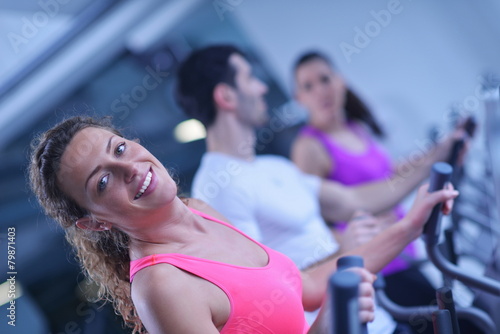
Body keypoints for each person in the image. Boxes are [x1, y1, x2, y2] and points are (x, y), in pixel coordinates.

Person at [175, 44, 463, 333]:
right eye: (250, 78)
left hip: (376, 321)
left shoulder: (274, 167)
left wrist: (439, 158)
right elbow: (259, 291)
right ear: (226, 96)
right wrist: (343, 249)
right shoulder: (217, 188)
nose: (262, 88)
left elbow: (353, 200)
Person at [29, 116, 383, 334]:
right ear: (93, 223)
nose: (130, 169)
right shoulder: (162, 287)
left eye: (119, 149)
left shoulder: (198, 209)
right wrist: (329, 323)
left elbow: (304, 285)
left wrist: (413, 223)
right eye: (102, 183)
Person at [290, 51, 470, 333]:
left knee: (457, 321)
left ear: (340, 82)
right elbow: (311, 217)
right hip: (379, 266)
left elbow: (391, 176)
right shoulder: (309, 147)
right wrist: (347, 240)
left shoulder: (356, 127)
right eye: (307, 86)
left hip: (406, 252)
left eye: (325, 79)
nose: (319, 91)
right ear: (298, 98)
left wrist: (441, 151)